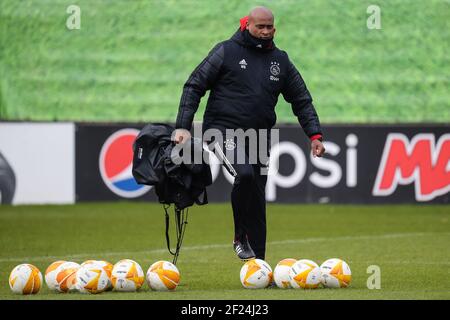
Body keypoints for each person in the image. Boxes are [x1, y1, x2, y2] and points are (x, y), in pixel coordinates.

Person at [173, 6, 325, 261]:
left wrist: (315, 135)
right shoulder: (226, 51)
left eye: (270, 27)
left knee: (256, 197)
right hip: (221, 130)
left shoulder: (281, 61)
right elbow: (194, 85)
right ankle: (240, 236)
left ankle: (259, 267)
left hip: (259, 137)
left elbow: (301, 99)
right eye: (260, 27)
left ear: (274, 28)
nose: (265, 32)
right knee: (244, 174)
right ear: (247, 25)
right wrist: (182, 127)